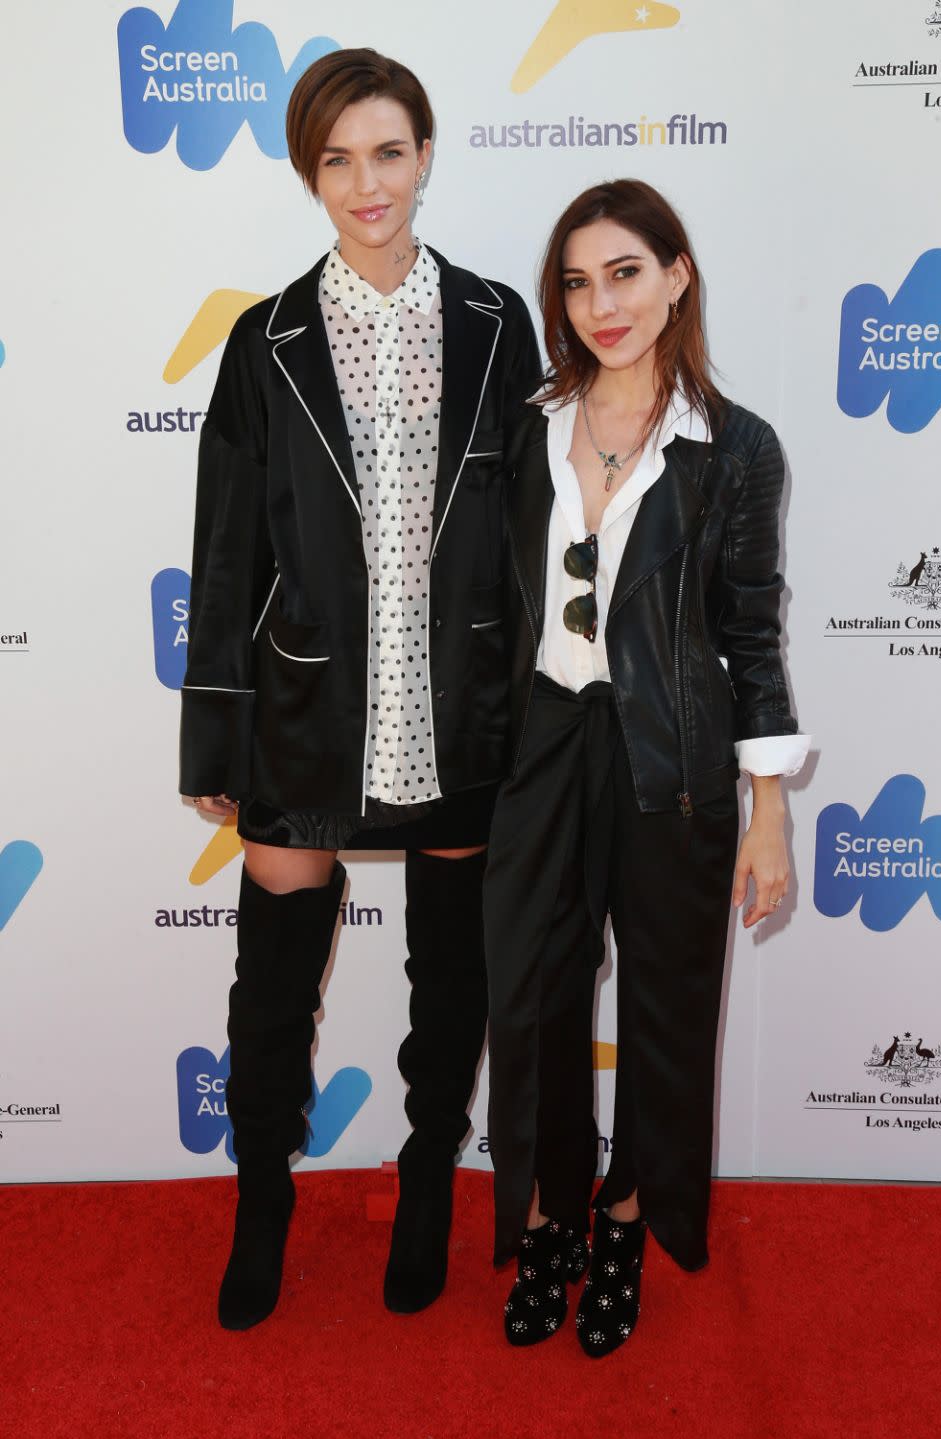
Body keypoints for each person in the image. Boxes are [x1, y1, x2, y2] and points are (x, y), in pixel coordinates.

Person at [179, 47, 540, 1331]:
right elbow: (228, 550)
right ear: (308, 175)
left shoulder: (498, 322)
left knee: (453, 971)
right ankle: (263, 1188)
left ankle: (432, 1164)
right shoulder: (265, 339)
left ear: (427, 156)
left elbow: (532, 529)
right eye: (338, 159)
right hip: (307, 715)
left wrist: (539, 712)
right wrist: (213, 725)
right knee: (274, 977)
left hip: (461, 706)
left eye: (388, 151)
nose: (367, 182)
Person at [484, 180, 810, 1357]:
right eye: (575, 281)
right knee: (529, 1002)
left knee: (668, 1007)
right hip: (539, 746)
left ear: (677, 274)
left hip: (672, 755)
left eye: (624, 272)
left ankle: (623, 1218)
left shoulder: (736, 449)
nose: (599, 303)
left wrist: (767, 810)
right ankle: (544, 1214)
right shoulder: (522, 425)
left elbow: (752, 636)